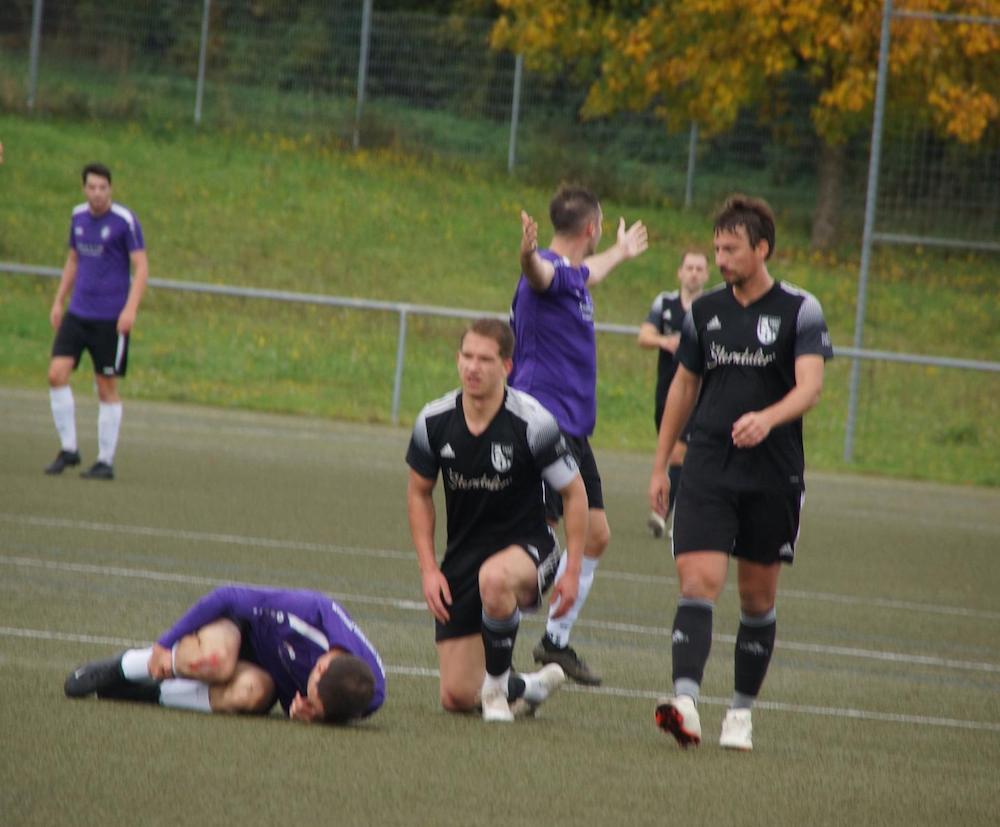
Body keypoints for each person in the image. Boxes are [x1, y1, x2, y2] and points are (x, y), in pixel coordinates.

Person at [648, 195, 833, 751]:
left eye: (731, 249)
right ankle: (685, 703)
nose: (721, 259)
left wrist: (768, 419)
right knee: (697, 581)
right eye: (717, 248)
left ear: (762, 248)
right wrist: (660, 464)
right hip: (708, 463)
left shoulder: (800, 310)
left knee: (757, 599)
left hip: (773, 473)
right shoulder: (703, 311)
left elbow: (810, 388)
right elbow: (683, 386)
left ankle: (740, 713)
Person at [406, 318, 588, 723]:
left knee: (495, 578)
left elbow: (575, 494)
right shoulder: (434, 420)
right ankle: (529, 687)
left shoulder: (533, 422)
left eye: (485, 359)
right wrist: (430, 570)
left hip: (530, 545)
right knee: (456, 695)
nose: (473, 367)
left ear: (507, 366)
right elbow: (419, 493)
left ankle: (496, 690)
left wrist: (573, 570)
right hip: (464, 556)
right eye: (467, 356)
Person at [511, 186, 648, 686]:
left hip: (573, 430)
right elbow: (539, 275)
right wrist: (526, 256)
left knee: (595, 535)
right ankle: (491, 631)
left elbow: (589, 271)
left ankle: (554, 641)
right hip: (543, 425)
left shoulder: (572, 274)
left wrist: (622, 253)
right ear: (591, 228)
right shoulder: (547, 270)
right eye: (602, 227)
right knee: (542, 542)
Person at [64, 585, 386, 724]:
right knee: (215, 662)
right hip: (239, 631)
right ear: (324, 663)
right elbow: (228, 595)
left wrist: (306, 712)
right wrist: (164, 644)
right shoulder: (312, 612)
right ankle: (125, 666)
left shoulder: (363, 696)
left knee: (250, 693)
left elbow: (305, 703)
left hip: (266, 674)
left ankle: (149, 694)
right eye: (311, 687)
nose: (307, 692)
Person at [45, 162, 148, 480]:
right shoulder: (77, 217)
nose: (97, 193)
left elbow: (141, 267)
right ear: (84, 188)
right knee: (56, 374)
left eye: (103, 187)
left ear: (110, 189)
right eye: (91, 187)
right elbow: (73, 259)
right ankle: (69, 449)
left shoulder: (124, 221)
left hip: (110, 319)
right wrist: (59, 300)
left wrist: (130, 310)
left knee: (106, 387)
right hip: (78, 313)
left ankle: (105, 460)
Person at [638, 249, 710, 538]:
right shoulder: (665, 303)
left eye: (699, 268)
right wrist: (665, 341)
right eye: (689, 268)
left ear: (707, 274)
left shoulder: (710, 307)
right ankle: (688, 510)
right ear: (680, 272)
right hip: (666, 392)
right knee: (674, 454)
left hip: (696, 393)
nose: (693, 273)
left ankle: (664, 513)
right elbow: (643, 336)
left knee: (680, 453)